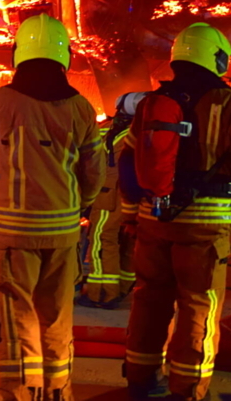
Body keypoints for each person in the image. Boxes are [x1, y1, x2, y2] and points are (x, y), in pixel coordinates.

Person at [123, 23, 231, 401]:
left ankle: (141, 379)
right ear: (215, 57)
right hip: (204, 226)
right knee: (197, 305)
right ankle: (189, 390)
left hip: (153, 219)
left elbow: (128, 160)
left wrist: (131, 212)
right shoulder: (228, 103)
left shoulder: (150, 103)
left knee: (149, 297)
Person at [0, 14, 106, 401]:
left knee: (19, 319)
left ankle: (22, 393)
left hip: (15, 236)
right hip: (63, 233)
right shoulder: (81, 108)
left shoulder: (4, 100)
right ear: (64, 58)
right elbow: (94, 171)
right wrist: (83, 204)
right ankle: (58, 393)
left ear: (19, 54)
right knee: (57, 318)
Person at [78, 91, 146, 308]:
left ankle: (102, 294)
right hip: (137, 195)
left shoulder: (109, 129)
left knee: (102, 240)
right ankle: (123, 287)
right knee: (127, 240)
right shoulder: (150, 131)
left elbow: (85, 156)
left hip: (110, 194)